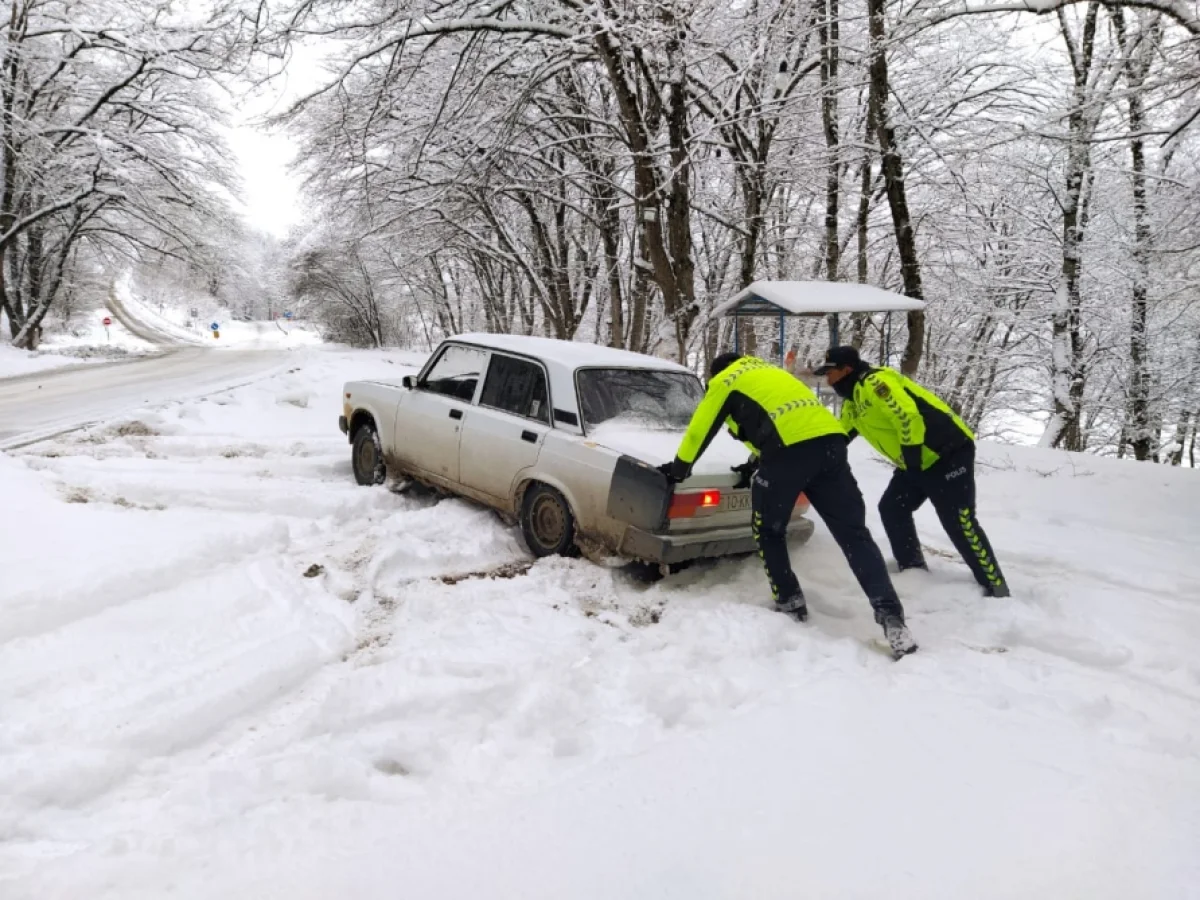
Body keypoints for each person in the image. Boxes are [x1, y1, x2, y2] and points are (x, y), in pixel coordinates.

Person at [659, 352, 918, 659]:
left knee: (769, 530)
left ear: (716, 373)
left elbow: (699, 430)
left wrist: (679, 470)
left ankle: (789, 601)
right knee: (855, 536)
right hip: (831, 445)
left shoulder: (724, 381)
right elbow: (786, 420)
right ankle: (892, 617)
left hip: (787, 454)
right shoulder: (773, 374)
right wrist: (754, 463)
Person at [814, 346, 1010, 598]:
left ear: (846, 370)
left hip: (948, 454)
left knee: (959, 521)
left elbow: (907, 416)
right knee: (893, 508)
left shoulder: (876, 383)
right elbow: (840, 435)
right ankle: (912, 568)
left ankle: (996, 587)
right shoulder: (853, 400)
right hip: (916, 460)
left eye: (830, 373)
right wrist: (813, 458)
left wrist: (912, 460)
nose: (827, 379)